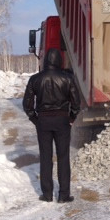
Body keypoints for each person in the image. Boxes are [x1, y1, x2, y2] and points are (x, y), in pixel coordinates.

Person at [23, 48, 81, 203]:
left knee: (45, 157)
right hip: (62, 121)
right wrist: (72, 117)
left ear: (47, 60)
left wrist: (35, 119)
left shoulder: (35, 79)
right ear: (59, 61)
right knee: (63, 157)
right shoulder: (68, 78)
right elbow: (76, 102)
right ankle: (64, 195)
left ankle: (47, 195)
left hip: (43, 121)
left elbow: (27, 105)